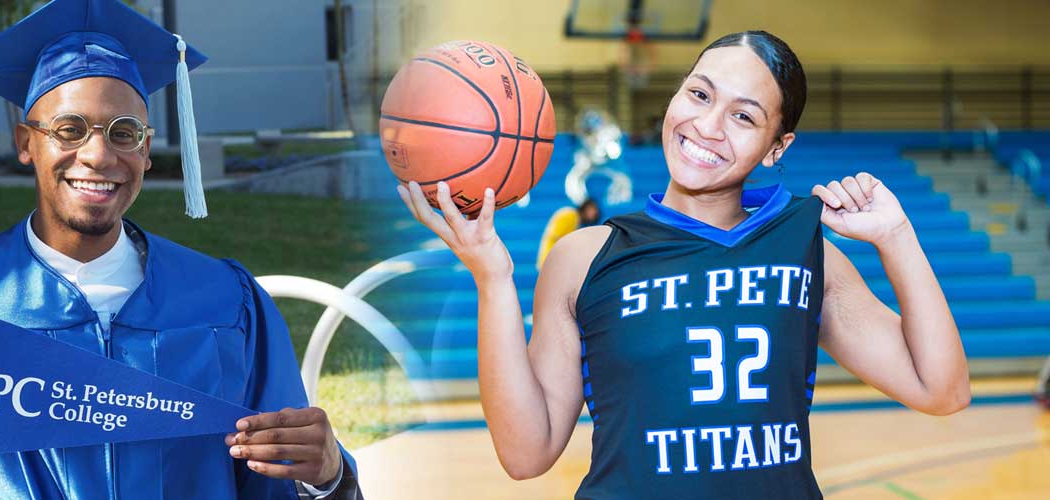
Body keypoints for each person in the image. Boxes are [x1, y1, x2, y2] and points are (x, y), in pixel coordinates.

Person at [0, 1, 359, 498]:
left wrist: (328, 475)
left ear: (148, 151)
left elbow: (283, 476)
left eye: (124, 132)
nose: (99, 156)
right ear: (24, 144)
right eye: (69, 129)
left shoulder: (227, 301)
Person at [403, 30, 967, 498]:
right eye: (699, 95)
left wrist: (896, 237)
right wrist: (492, 277)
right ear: (674, 98)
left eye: (743, 117)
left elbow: (941, 390)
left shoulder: (803, 246)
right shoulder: (585, 255)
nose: (708, 126)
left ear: (777, 147)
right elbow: (526, 454)